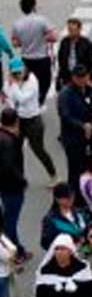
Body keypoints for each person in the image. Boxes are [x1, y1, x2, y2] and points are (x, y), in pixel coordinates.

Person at [4, 56, 57, 184]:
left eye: (19, 71)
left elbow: (22, 99)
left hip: (33, 120)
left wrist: (14, 85)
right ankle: (19, 177)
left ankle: (53, 175)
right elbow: (9, 100)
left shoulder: (32, 80)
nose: (18, 75)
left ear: (24, 69)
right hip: (19, 120)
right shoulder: (9, 82)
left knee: (38, 150)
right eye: (15, 73)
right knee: (16, 150)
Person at [57, 64, 92, 193]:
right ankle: (74, 196)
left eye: (84, 76)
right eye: (79, 77)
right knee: (75, 169)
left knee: (89, 167)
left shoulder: (91, 91)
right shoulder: (66, 94)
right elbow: (65, 115)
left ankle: (87, 194)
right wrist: (83, 126)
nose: (82, 80)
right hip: (73, 139)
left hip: (89, 138)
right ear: (73, 78)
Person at [10, 0, 57, 106]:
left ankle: (27, 103)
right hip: (41, 58)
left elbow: (15, 43)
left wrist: (25, 41)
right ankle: (38, 102)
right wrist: (42, 38)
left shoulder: (17, 24)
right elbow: (54, 37)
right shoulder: (42, 20)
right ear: (33, 7)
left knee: (26, 83)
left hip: (26, 59)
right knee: (45, 82)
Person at [0, 109, 28, 264]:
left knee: (10, 219)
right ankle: (11, 254)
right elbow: (8, 167)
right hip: (12, 187)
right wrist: (22, 180)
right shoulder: (9, 141)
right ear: (16, 121)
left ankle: (19, 249)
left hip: (5, 186)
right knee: (10, 222)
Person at [41, 183, 89, 249]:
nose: (70, 199)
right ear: (57, 199)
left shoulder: (80, 213)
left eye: (72, 196)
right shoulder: (50, 220)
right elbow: (45, 242)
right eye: (66, 197)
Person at [56, 17, 92, 90]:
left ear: (79, 29)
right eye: (69, 30)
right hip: (67, 77)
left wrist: (89, 78)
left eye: (73, 30)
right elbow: (61, 60)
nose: (70, 32)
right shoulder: (64, 42)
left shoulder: (87, 44)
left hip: (81, 78)